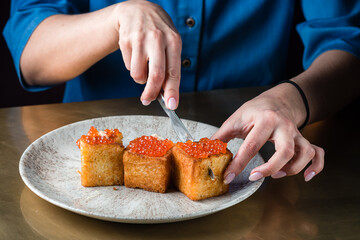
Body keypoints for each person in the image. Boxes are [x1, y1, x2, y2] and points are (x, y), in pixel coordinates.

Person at [3, 0, 360, 184]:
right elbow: (30, 55)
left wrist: (290, 99)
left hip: (265, 165)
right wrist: (115, 18)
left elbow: (347, 41)